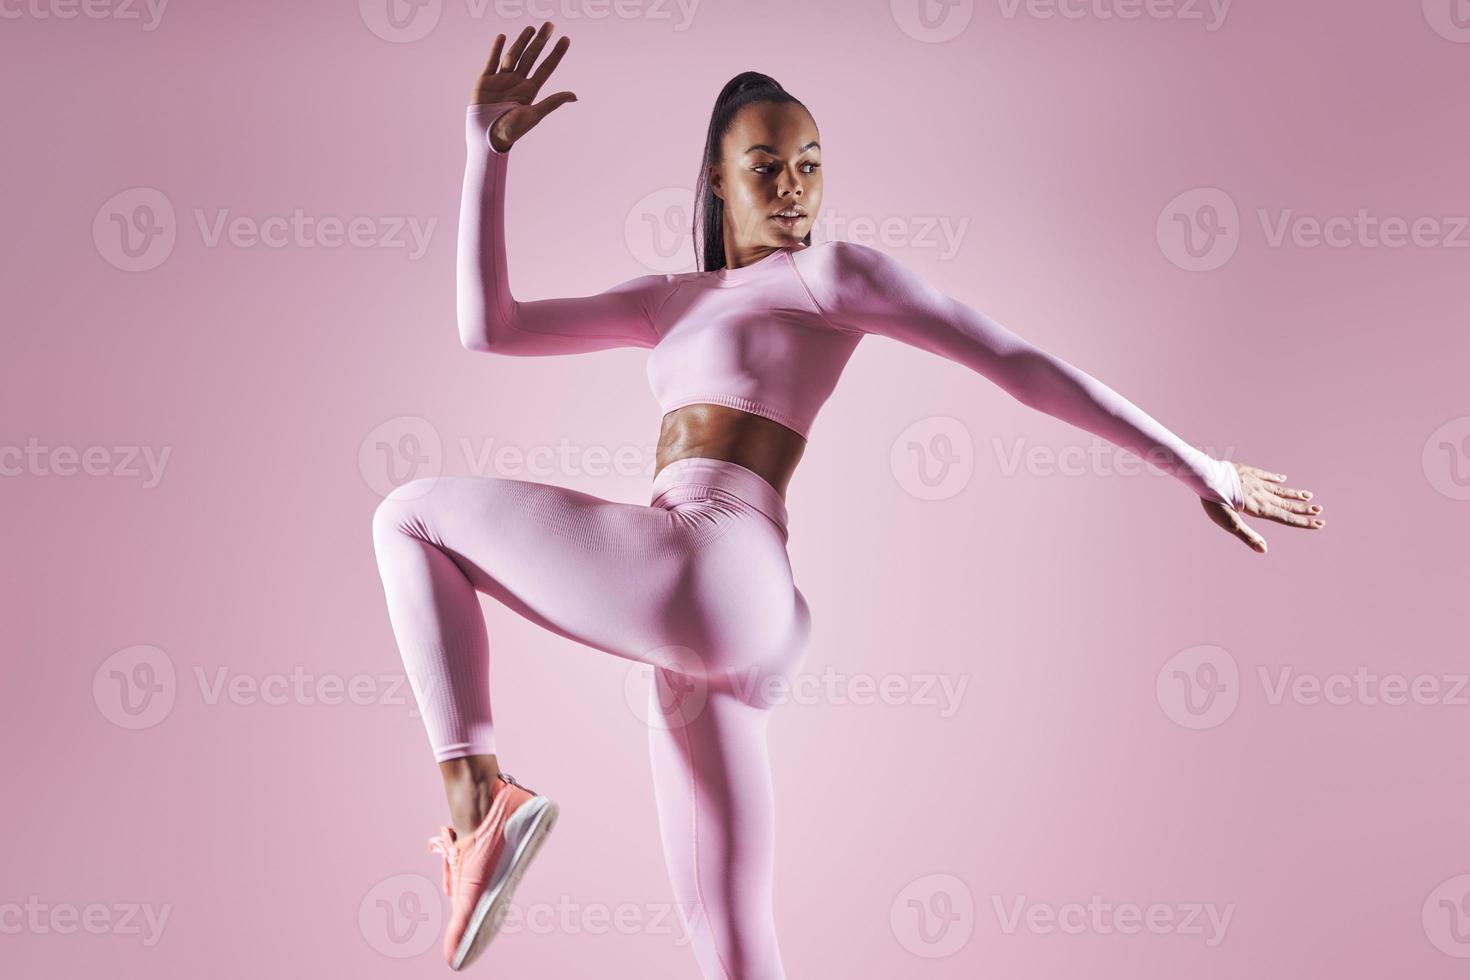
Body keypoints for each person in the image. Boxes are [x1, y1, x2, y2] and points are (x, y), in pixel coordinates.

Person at [371, 20, 1326, 977]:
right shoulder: (669, 299)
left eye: (810, 167)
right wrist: (483, 153)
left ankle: (475, 803)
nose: (795, 190)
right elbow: (488, 327)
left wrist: (1199, 464)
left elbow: (1017, 363)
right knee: (731, 943)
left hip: (711, 562)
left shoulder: (829, 276)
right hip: (735, 619)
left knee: (409, 516)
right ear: (714, 179)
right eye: (767, 167)